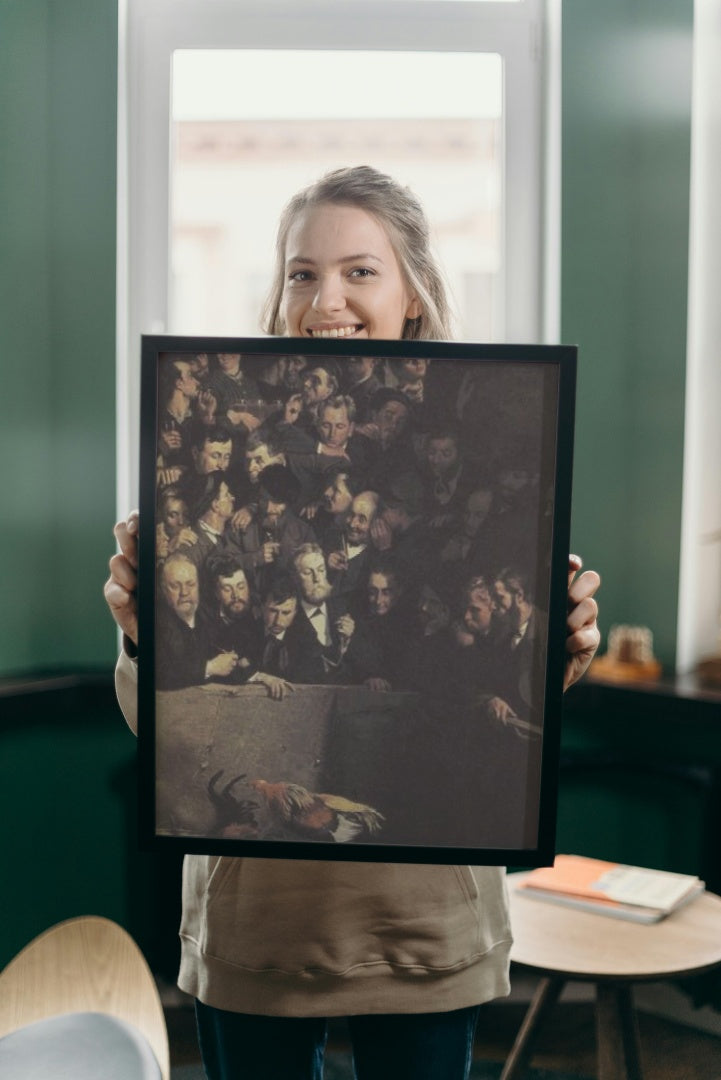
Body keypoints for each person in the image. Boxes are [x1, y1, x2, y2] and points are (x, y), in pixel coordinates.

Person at [105, 165, 601, 1080]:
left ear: (413, 291)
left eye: (359, 271)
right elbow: (165, 734)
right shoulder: (213, 453)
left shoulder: (504, 447)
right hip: (259, 921)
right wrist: (143, 637)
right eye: (301, 272)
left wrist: (553, 652)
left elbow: (497, 713)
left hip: (422, 921)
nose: (324, 297)